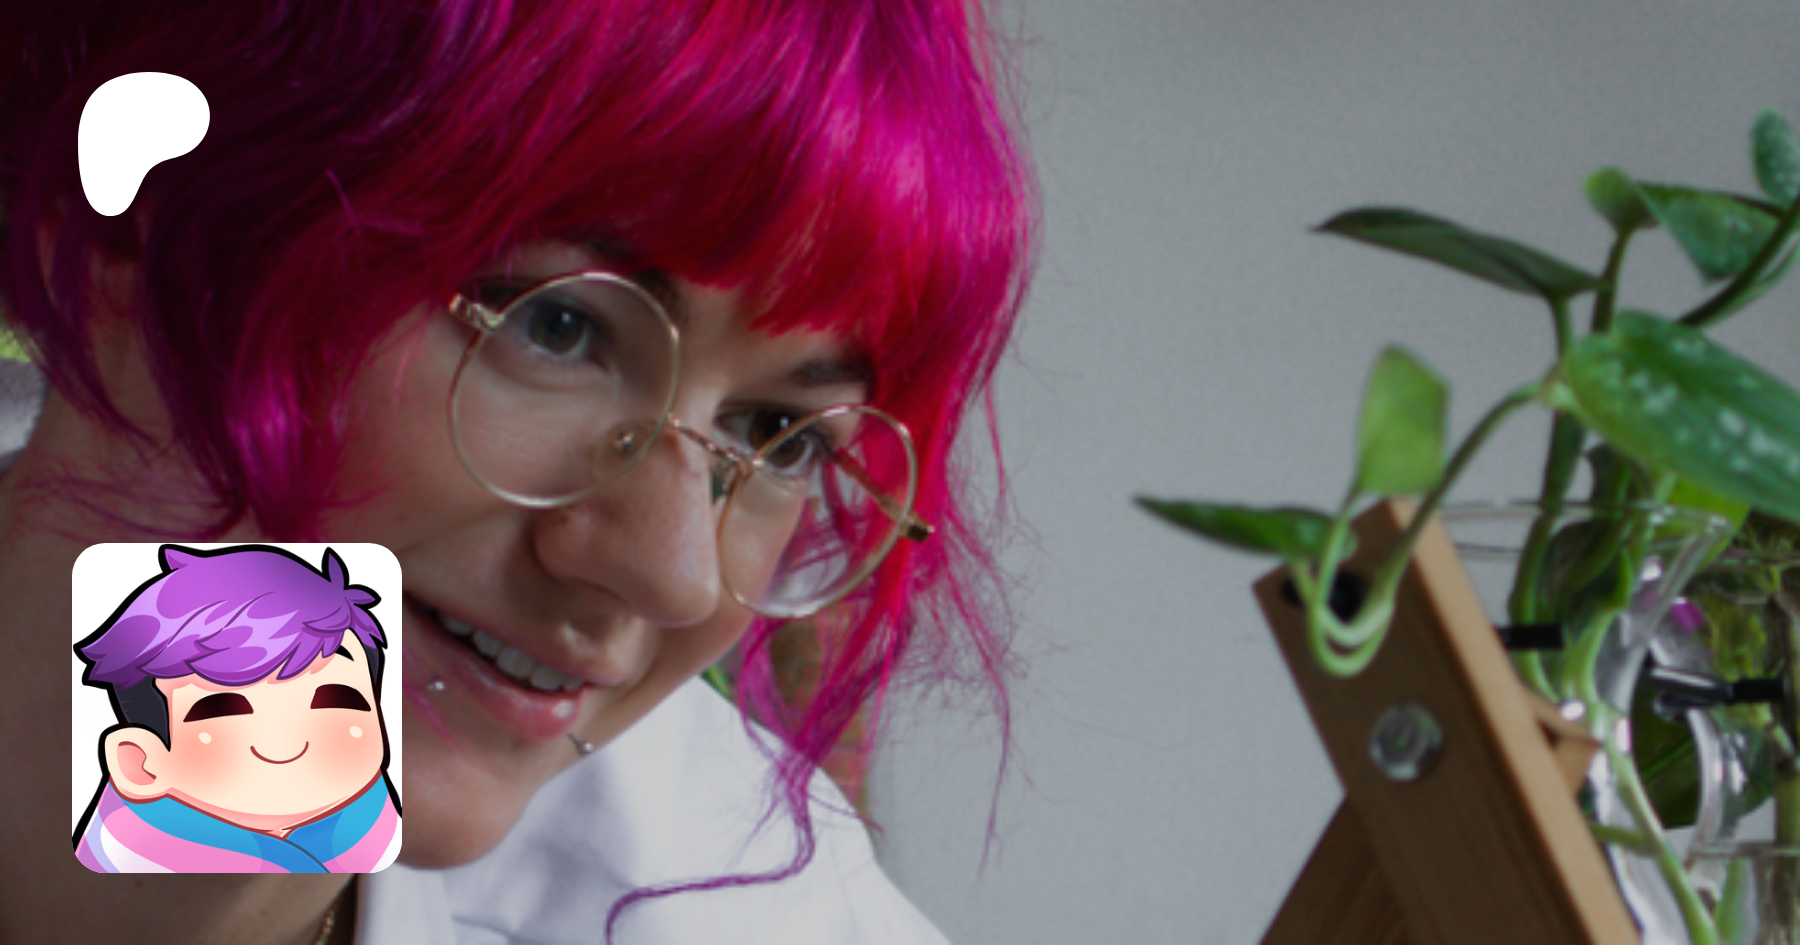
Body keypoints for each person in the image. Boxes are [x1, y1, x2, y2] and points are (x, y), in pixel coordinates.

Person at [0, 0, 1034, 942]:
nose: (671, 574)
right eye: (559, 326)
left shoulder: (751, 911)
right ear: (123, 230)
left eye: (782, 431)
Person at [73, 545, 401, 875]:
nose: (286, 744)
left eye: (336, 700)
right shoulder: (115, 867)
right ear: (139, 763)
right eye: (226, 710)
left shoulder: (388, 839)